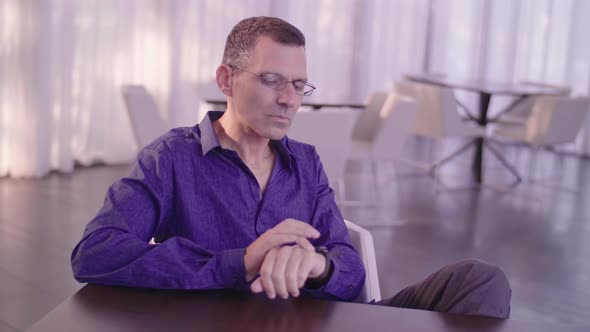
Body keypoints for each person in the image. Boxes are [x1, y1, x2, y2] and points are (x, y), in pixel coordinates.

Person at [71, 16, 511, 318]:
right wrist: (240, 262)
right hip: (228, 323)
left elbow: (348, 266)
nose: (289, 99)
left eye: (299, 84)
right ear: (226, 80)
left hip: (322, 321)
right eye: (271, 80)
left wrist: (317, 266)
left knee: (478, 280)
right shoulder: (170, 159)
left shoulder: (305, 161)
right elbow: (96, 252)